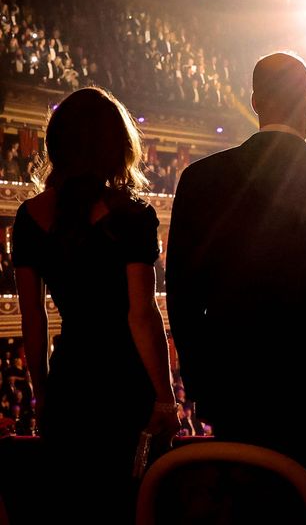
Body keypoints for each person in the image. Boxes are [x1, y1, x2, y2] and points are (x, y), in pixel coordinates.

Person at [165, 52, 306, 501]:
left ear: (254, 101)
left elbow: (182, 295)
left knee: (243, 504)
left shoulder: (200, 179)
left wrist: (200, 382)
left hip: (234, 390)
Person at [13, 87, 178, 522]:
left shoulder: (29, 218)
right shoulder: (133, 216)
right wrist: (165, 398)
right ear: (117, 145)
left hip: (71, 378)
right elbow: (141, 314)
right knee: (127, 504)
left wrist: (42, 390)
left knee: (73, 505)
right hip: (125, 381)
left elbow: (34, 317)